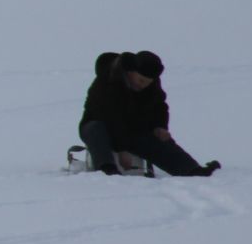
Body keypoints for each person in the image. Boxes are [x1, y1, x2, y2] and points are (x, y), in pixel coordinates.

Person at [79, 50, 219, 177]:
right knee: (96, 129)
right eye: (140, 80)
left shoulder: (151, 84)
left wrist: (160, 126)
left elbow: (160, 107)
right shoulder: (107, 80)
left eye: (147, 82)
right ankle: (107, 170)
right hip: (99, 125)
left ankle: (191, 170)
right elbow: (110, 117)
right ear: (130, 72)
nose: (143, 85)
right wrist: (121, 150)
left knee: (157, 139)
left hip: (131, 130)